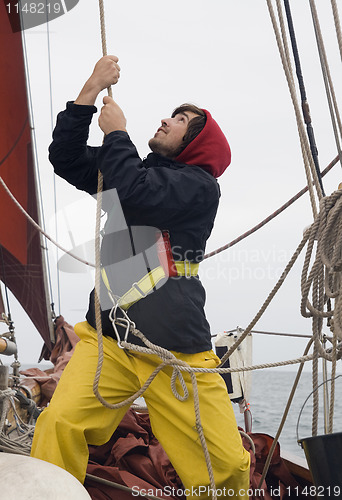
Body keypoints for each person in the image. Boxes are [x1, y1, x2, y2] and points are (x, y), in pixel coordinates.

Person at [31, 55, 250, 498]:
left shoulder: (199, 187)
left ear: (196, 144)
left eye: (181, 120)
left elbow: (138, 197)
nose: (166, 121)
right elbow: (65, 156)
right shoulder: (129, 167)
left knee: (224, 467)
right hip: (109, 339)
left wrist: (117, 134)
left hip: (174, 350)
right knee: (59, 425)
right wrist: (90, 90)